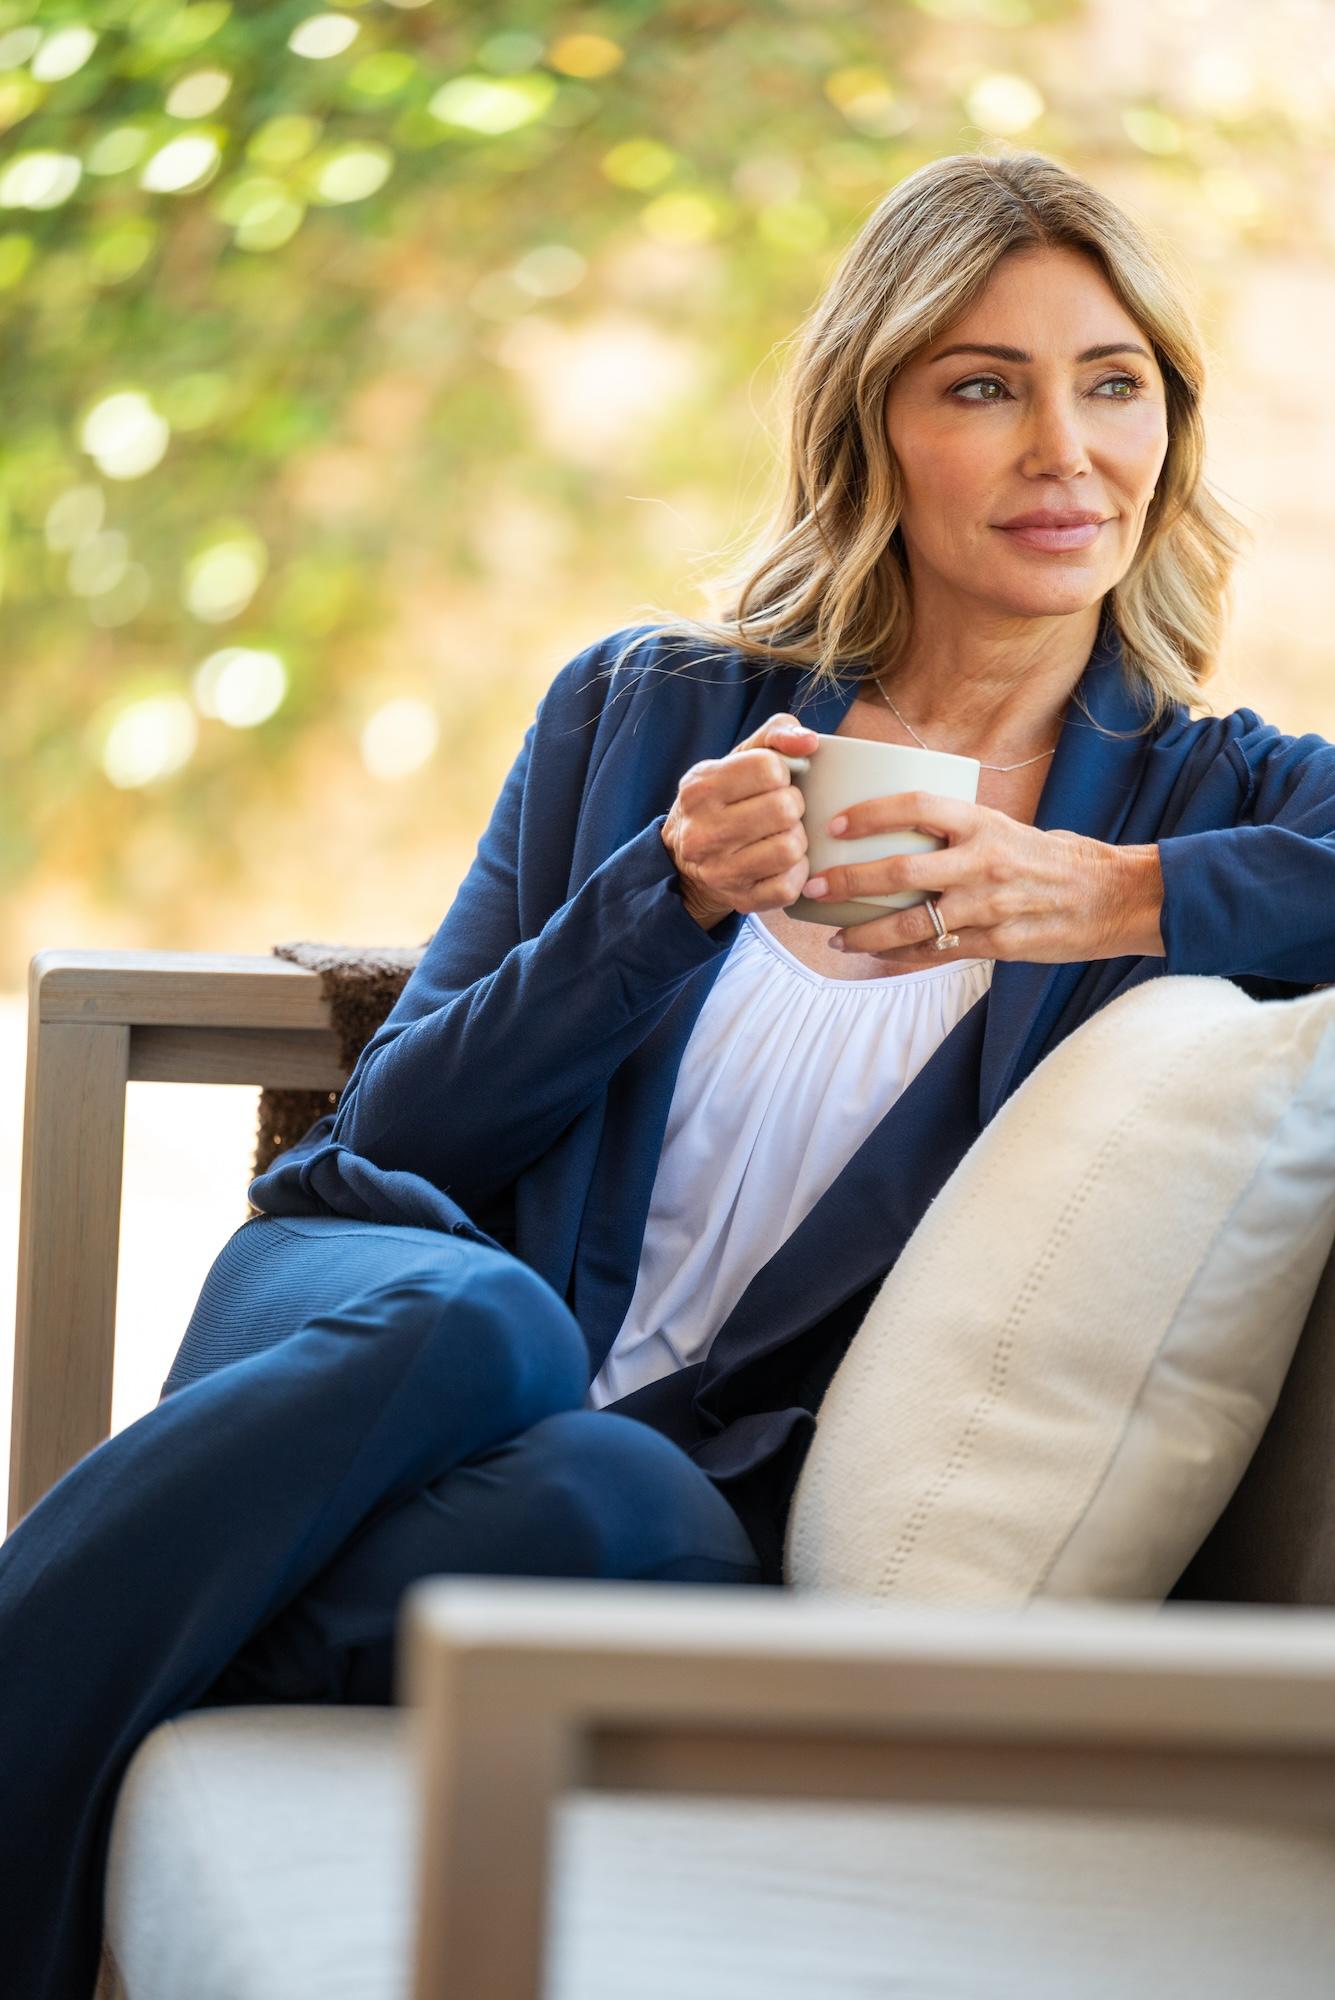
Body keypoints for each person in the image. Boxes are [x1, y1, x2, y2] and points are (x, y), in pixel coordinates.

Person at [5, 147, 1335, 2000]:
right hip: (378, 1301)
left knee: (605, 1502)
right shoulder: (649, 707)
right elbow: (402, 1132)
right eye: (983, 385)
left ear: (1169, 433)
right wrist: (661, 898)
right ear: (873, 428)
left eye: (1114, 383)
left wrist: (1112, 895)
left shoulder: (1227, 797)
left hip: (639, 1499)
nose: (1064, 449)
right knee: (492, 1330)